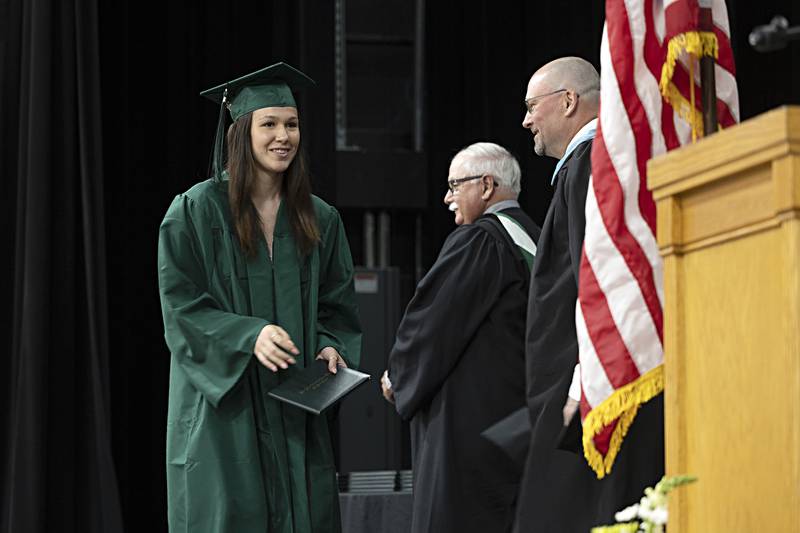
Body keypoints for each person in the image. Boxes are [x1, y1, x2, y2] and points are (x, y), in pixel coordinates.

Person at [157, 62, 362, 533]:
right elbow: (181, 307)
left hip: (295, 406)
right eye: (268, 124)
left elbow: (337, 304)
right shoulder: (195, 210)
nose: (283, 136)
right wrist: (249, 335)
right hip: (226, 407)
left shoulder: (320, 218)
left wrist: (332, 345)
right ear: (241, 131)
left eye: (291, 124)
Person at [514, 57, 664, 531]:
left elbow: (599, 281)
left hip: (588, 388)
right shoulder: (597, 163)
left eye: (532, 106)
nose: (526, 120)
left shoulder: (589, 166)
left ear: (568, 101)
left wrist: (583, 381)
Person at [381, 142, 541, 533]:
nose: (447, 197)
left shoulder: (481, 240)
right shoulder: (533, 235)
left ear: (486, 186)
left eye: (455, 185)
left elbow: (432, 324)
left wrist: (398, 377)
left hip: (470, 430)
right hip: (518, 420)